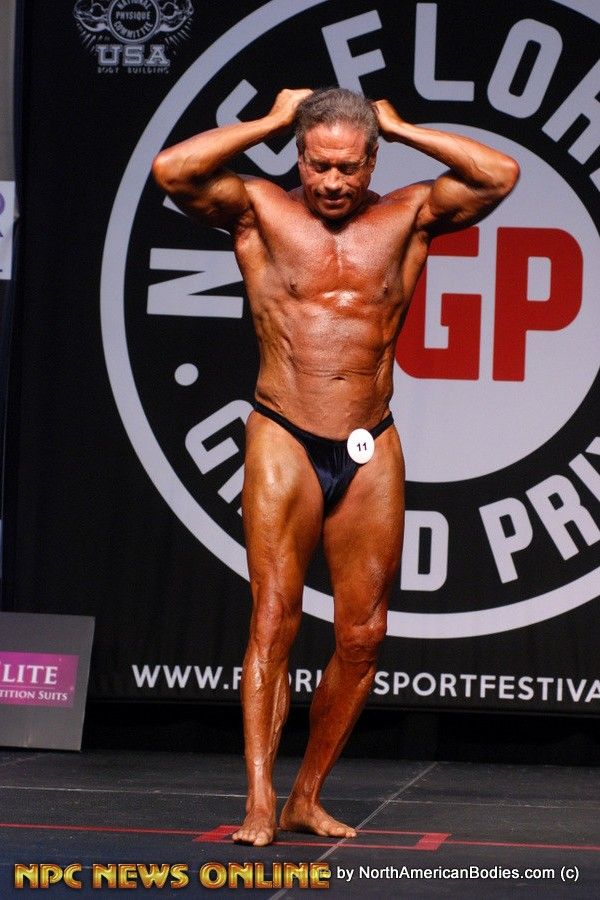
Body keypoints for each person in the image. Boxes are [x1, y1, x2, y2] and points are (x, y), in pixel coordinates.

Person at [152, 87, 519, 846]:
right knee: (273, 618)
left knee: (363, 635)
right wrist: (270, 119)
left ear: (372, 161)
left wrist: (403, 126)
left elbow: (499, 176)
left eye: (348, 168)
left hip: (369, 440)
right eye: (319, 165)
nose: (331, 182)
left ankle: (306, 796)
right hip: (282, 432)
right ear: (299, 155)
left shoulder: (409, 214)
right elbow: (171, 171)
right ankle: (260, 799)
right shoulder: (259, 210)